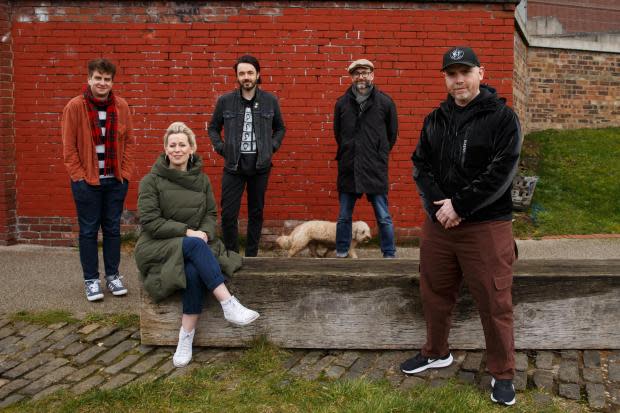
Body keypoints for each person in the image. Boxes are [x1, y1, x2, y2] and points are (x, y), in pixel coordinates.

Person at [400, 46, 522, 406]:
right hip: (440, 225)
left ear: (480, 74)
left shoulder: (502, 118)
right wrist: (439, 206)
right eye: (451, 74)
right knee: (434, 291)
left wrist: (460, 205)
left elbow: (501, 172)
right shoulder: (435, 119)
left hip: (486, 225)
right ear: (445, 79)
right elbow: (420, 165)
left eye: (465, 72)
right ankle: (437, 351)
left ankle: (503, 373)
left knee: (494, 300)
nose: (458, 80)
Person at [135, 122, 259, 368]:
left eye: (182, 145)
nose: (177, 150)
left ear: (192, 149)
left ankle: (186, 337)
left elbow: (211, 215)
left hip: (194, 245)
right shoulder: (151, 181)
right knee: (193, 246)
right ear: (165, 149)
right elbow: (150, 222)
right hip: (157, 246)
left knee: (193, 270)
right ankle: (228, 303)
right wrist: (187, 232)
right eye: (172, 145)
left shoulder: (201, 181)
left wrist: (203, 231)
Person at [62, 58, 134, 302]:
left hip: (115, 180)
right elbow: (69, 148)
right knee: (89, 230)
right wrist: (79, 177)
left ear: (112, 82)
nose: (102, 83)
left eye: (107, 79)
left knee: (113, 230)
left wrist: (124, 175)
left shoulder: (121, 106)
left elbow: (129, 143)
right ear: (89, 79)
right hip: (87, 182)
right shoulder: (75, 106)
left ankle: (113, 276)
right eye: (98, 78)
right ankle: (91, 280)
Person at [208, 55, 286, 257]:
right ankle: (231, 255)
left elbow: (280, 128)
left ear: (258, 74)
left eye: (250, 72)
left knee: (256, 212)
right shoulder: (225, 101)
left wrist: (271, 147)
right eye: (241, 73)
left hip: (260, 166)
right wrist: (222, 148)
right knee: (228, 215)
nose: (246, 77)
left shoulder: (270, 101)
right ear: (237, 76)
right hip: (233, 165)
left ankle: (252, 255)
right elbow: (213, 128)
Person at [333, 58, 398, 258]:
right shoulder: (342, 103)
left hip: (374, 168)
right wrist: (348, 150)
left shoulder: (385, 103)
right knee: (344, 216)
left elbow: (391, 135)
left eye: (365, 72)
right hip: (349, 166)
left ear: (372, 75)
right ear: (351, 77)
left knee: (383, 216)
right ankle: (342, 252)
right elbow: (338, 134)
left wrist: (378, 153)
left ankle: (389, 254)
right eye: (356, 73)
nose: (361, 76)